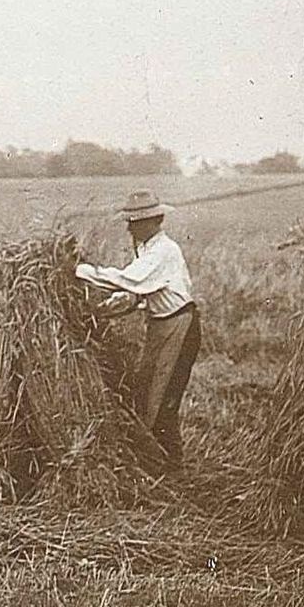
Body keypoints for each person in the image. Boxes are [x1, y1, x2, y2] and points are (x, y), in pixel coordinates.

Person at [74, 190, 201, 468]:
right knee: (145, 392)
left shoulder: (164, 251)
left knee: (163, 398)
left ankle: (172, 466)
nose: (130, 228)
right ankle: (157, 460)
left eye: (135, 222)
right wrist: (105, 308)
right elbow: (135, 294)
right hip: (160, 325)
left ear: (154, 221)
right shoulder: (146, 250)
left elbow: (130, 280)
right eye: (129, 222)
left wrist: (81, 271)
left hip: (179, 326)